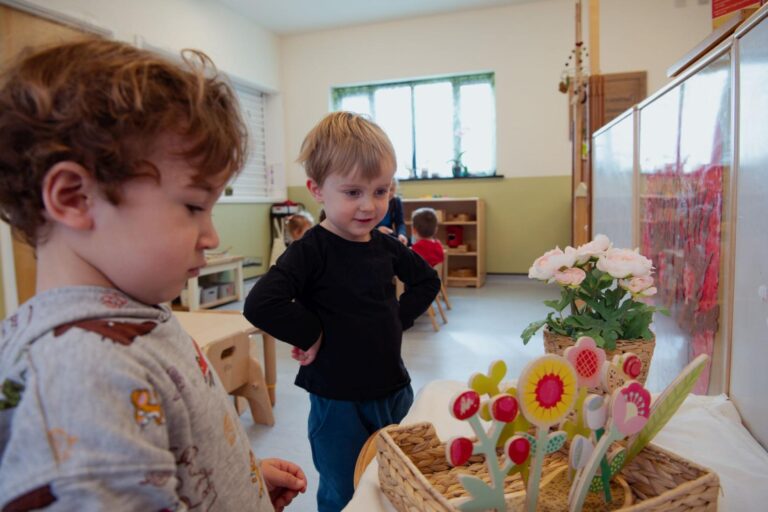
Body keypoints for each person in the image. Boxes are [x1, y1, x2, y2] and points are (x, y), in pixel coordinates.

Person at [0, 39, 306, 511]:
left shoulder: (132, 314)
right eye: (192, 206)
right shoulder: (82, 377)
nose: (210, 235)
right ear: (74, 198)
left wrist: (235, 483)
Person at [243, 111, 440, 512]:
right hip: (337, 403)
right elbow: (261, 302)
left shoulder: (386, 246)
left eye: (381, 191)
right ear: (317, 189)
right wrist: (311, 333)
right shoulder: (310, 251)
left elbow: (426, 282)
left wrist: (395, 319)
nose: (370, 205)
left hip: (393, 390)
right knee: (341, 488)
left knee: (396, 478)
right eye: (353, 193)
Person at [375, 178, 408, 245]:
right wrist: (377, 230)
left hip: (389, 236)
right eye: (385, 190)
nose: (389, 193)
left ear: (395, 190)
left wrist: (401, 234)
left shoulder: (396, 202)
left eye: (392, 189)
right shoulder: (374, 202)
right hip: (373, 236)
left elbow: (400, 223)